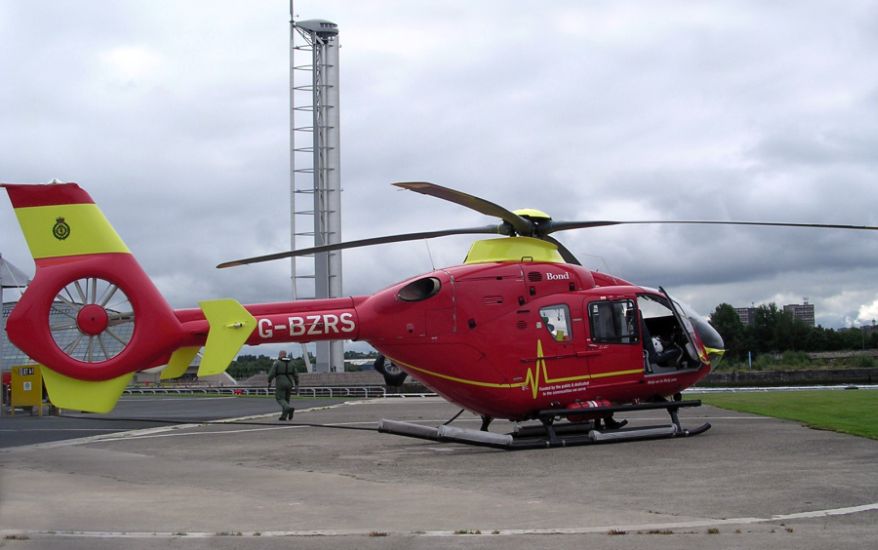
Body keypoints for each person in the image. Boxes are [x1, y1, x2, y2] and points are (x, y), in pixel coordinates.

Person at [267, 350, 299, 421]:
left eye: (279, 354)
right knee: (286, 399)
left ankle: (288, 409)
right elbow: (296, 375)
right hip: (290, 383)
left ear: (280, 355)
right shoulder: (291, 363)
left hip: (280, 383)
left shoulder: (277, 363)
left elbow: (271, 374)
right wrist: (296, 384)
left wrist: (269, 381)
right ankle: (284, 416)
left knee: (280, 398)